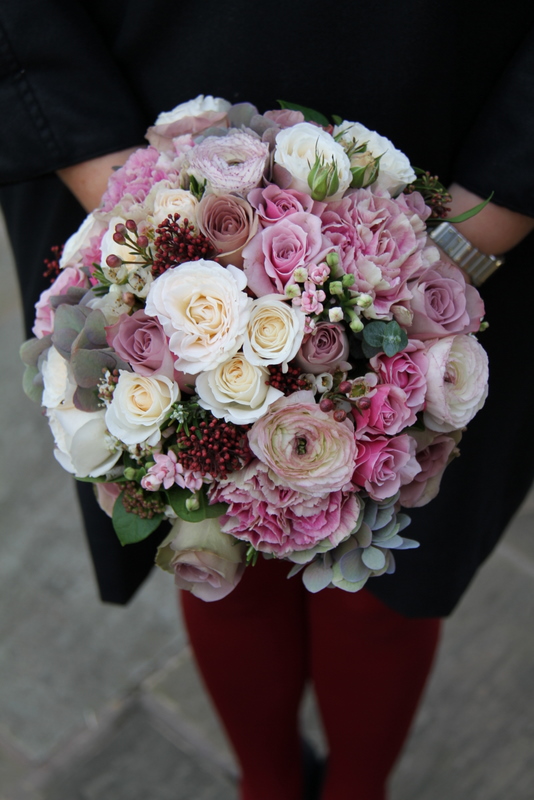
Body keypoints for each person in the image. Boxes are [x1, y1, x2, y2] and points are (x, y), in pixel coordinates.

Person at [1, 4, 533, 798]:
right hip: (139, 122)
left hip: (454, 139)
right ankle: (268, 783)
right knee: (215, 549)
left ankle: (359, 788)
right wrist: (128, 198)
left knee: (391, 582)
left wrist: (461, 239)